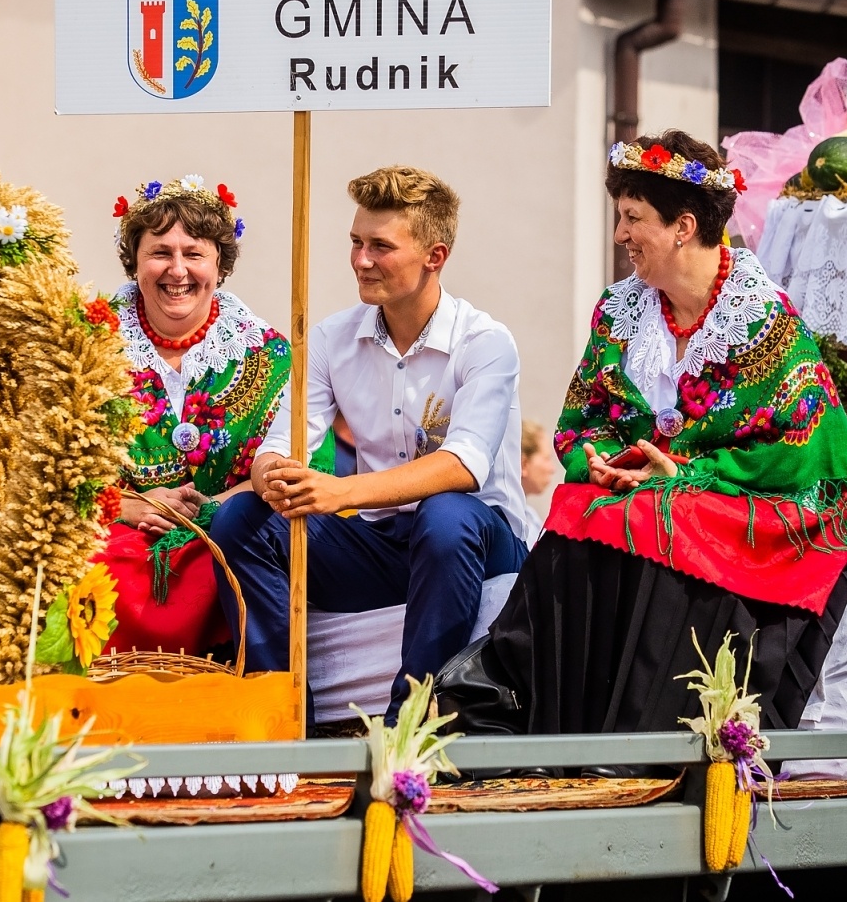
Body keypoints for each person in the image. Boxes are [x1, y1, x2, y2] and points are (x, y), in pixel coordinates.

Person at [437, 130, 847, 736]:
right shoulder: (619, 310)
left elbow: (803, 448)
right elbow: (581, 419)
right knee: (581, 504)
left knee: (661, 512)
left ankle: (643, 732)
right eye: (619, 216)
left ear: (683, 226)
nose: (620, 234)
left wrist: (687, 474)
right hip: (647, 487)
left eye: (633, 218)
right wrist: (599, 459)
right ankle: (526, 702)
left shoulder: (765, 320)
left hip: (761, 500)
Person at [212, 165, 530, 721]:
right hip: (384, 544)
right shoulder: (332, 336)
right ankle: (281, 712)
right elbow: (282, 443)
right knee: (240, 519)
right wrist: (274, 475)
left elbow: (464, 466)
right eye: (356, 242)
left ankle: (413, 722)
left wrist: (339, 491)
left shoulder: (486, 342)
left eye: (381, 246)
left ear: (436, 256)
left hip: (480, 543)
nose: (361, 260)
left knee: (446, 514)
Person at [93, 174, 316, 657]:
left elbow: (309, 464)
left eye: (193, 253)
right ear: (134, 260)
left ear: (220, 263)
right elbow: (41, 471)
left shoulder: (271, 354)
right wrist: (127, 506)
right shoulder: (85, 346)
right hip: (113, 543)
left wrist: (209, 510)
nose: (178, 270)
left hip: (227, 543)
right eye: (160, 252)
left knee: (241, 551)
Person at [519, 418, 558, 529]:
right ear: (524, 464)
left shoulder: (531, 518)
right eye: (547, 459)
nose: (552, 469)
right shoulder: (502, 520)